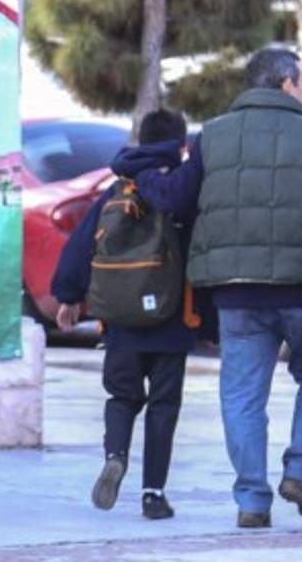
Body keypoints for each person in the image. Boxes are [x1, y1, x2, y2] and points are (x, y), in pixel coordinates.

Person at [112, 48, 302, 529]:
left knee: (242, 395)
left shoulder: (214, 136)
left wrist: (141, 172)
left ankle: (253, 500)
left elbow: (175, 197)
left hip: (236, 294)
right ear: (287, 84)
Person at [51, 108, 198, 521]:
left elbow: (82, 245)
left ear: (140, 138)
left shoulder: (116, 188)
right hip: (172, 319)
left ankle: (116, 455)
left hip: (119, 319)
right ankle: (153, 493)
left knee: (122, 396)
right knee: (163, 405)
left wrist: (69, 296)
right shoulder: (181, 191)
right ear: (181, 145)